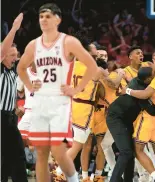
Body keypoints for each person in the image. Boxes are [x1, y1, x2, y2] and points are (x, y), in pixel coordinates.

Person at [17, 3, 98, 182]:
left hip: (60, 103)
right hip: (40, 102)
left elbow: (92, 65)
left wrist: (76, 89)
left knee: (58, 150)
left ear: (58, 19)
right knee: (41, 153)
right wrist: (30, 86)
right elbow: (21, 67)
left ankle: (73, 179)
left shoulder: (68, 42)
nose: (43, 19)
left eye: (47, 16)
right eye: (41, 16)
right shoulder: (33, 45)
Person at [106, 64, 155, 182]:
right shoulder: (140, 92)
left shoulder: (138, 81)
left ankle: (128, 180)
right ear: (148, 79)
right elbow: (152, 111)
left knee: (131, 152)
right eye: (154, 75)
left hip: (126, 119)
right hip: (116, 118)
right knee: (126, 152)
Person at [1, 42, 28, 182]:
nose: (15, 58)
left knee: (16, 156)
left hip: (10, 118)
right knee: (5, 159)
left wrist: (16, 109)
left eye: (16, 55)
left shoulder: (12, 72)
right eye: (12, 55)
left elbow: (10, 96)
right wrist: (14, 28)